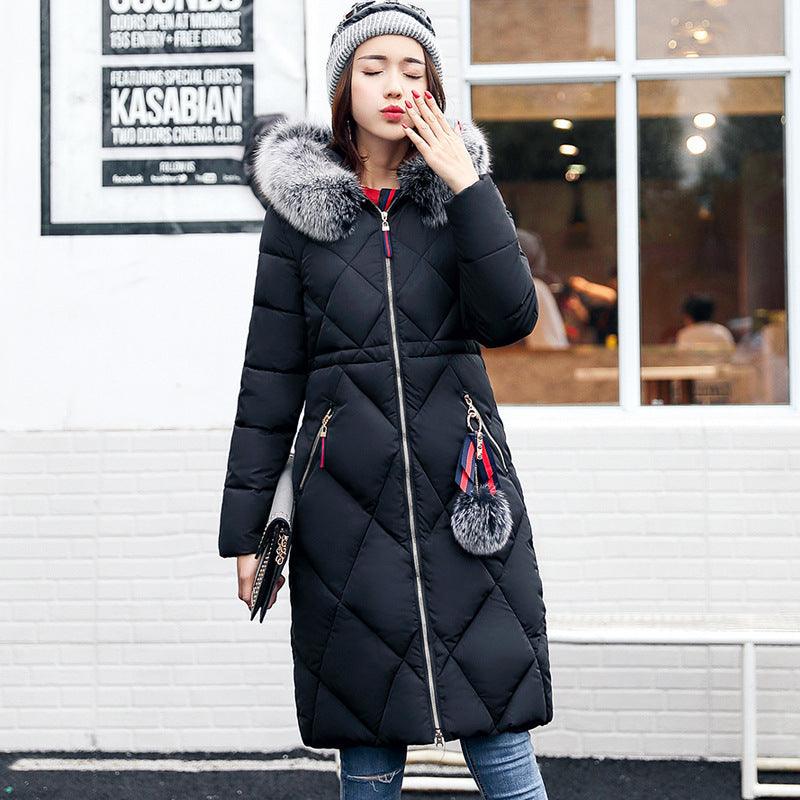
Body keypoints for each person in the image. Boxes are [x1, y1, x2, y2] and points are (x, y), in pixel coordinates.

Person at [218, 2, 552, 798]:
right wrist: (245, 529)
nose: (395, 85)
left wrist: (468, 185)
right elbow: (269, 379)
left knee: (501, 737)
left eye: (413, 69)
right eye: (374, 69)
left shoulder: (456, 200)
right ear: (344, 86)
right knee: (368, 747)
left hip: (465, 492)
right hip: (346, 509)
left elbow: (511, 319)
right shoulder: (300, 219)